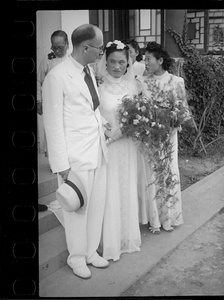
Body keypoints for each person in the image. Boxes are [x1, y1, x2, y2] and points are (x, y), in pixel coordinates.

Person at [42, 24, 109, 279]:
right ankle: (76, 257)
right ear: (85, 47)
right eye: (100, 47)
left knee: (95, 206)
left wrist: (104, 124)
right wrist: (61, 165)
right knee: (77, 210)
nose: (101, 51)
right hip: (74, 157)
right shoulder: (57, 77)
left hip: (97, 150)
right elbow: (52, 122)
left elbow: (91, 111)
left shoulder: (88, 72)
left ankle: (91, 251)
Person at [136, 41, 193, 233]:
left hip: (168, 136)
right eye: (144, 59)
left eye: (149, 59)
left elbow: (183, 111)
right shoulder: (142, 82)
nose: (146, 63)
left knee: (168, 172)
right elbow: (138, 109)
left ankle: (168, 217)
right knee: (151, 174)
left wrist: (174, 119)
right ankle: (154, 220)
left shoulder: (177, 82)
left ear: (160, 60)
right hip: (150, 137)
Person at [96, 40, 141, 261]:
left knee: (125, 186)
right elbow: (95, 116)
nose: (116, 66)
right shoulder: (98, 87)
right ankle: (110, 241)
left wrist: (126, 129)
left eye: (121, 62)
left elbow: (139, 115)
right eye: (112, 61)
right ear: (106, 62)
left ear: (128, 63)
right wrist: (108, 132)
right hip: (109, 146)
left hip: (127, 145)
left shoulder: (133, 87)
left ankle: (126, 236)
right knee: (110, 189)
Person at [37, 30, 69, 156]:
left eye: (60, 47)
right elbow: (38, 80)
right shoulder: (47, 60)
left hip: (67, 103)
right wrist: (38, 100)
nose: (56, 51)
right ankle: (53, 160)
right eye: (53, 47)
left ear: (68, 44)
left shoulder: (72, 60)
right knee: (52, 131)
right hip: (51, 103)